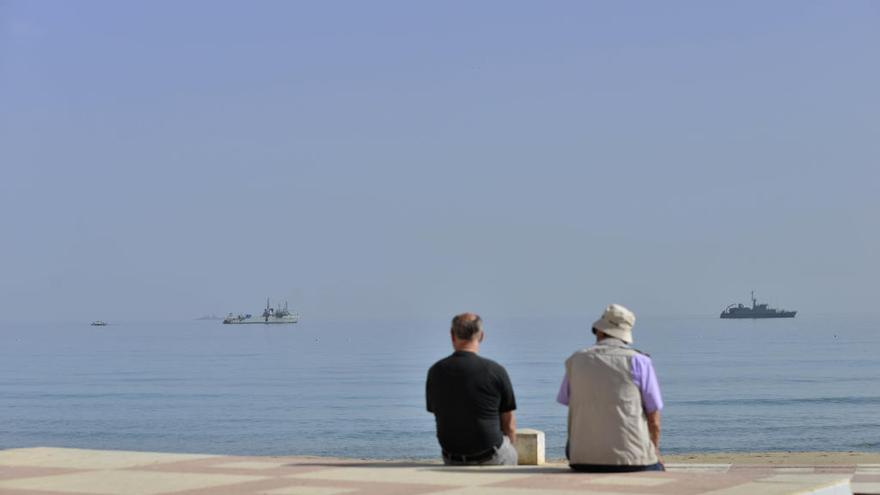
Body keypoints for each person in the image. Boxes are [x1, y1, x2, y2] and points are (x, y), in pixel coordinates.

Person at [557, 304, 664, 472]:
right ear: (625, 336)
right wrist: (654, 451)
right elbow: (654, 420)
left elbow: (567, 400)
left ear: (599, 331)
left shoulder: (575, 360)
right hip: (633, 460)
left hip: (582, 459)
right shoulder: (639, 361)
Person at [426, 312, 518, 465]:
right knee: (511, 453)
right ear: (481, 336)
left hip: (452, 457)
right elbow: (509, 425)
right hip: (492, 456)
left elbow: (439, 414)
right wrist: (511, 446)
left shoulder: (436, 371)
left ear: (452, 335)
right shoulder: (495, 371)